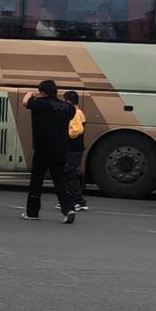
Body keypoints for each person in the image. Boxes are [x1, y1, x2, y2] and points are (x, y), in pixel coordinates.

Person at [22, 78, 78, 222]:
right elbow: (73, 111)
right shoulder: (66, 107)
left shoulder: (40, 104)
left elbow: (25, 102)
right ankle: (68, 209)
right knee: (60, 181)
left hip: (42, 149)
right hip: (61, 150)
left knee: (36, 181)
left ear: (42, 92)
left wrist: (30, 93)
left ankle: (32, 213)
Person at [63, 89, 90, 211]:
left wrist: (65, 134)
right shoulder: (80, 112)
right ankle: (73, 199)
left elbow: (76, 130)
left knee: (70, 173)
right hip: (77, 148)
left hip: (72, 147)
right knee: (72, 173)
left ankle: (78, 201)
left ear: (68, 101)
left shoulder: (73, 113)